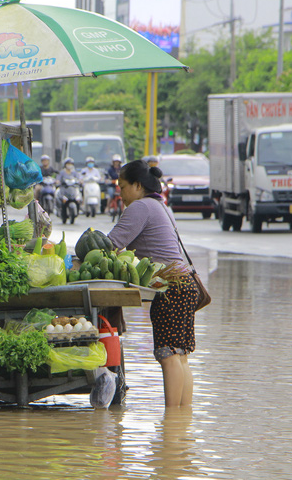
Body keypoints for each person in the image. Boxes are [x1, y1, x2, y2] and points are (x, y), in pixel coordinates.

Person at [107, 159, 198, 408]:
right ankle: (179, 424)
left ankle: (171, 419)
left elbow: (111, 244)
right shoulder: (161, 205)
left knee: (168, 356)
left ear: (137, 185)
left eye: (123, 187)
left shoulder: (140, 207)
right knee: (180, 357)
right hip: (185, 285)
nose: (121, 193)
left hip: (171, 289)